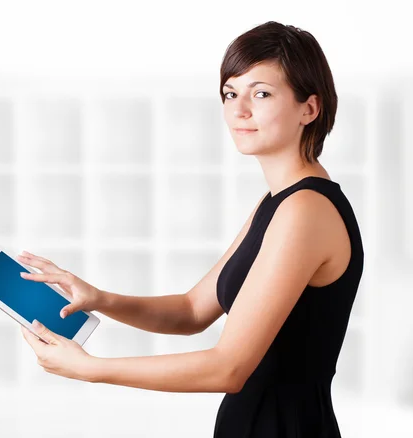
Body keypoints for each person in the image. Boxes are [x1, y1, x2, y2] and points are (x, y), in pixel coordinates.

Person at [19, 20, 364, 438]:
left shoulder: (306, 209)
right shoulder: (277, 204)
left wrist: (91, 370)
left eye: (261, 93)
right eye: (230, 93)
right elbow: (191, 310)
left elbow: (229, 368)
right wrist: (100, 298)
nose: (239, 110)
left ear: (310, 108)